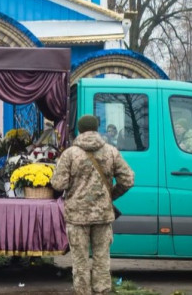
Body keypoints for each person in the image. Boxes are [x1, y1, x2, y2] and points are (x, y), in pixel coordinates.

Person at [51, 115, 134, 295]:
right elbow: (128, 179)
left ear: (79, 130)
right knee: (102, 259)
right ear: (97, 128)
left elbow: (58, 184)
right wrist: (110, 195)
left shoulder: (70, 154)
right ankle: (102, 291)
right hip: (103, 215)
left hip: (77, 216)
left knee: (80, 261)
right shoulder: (111, 151)